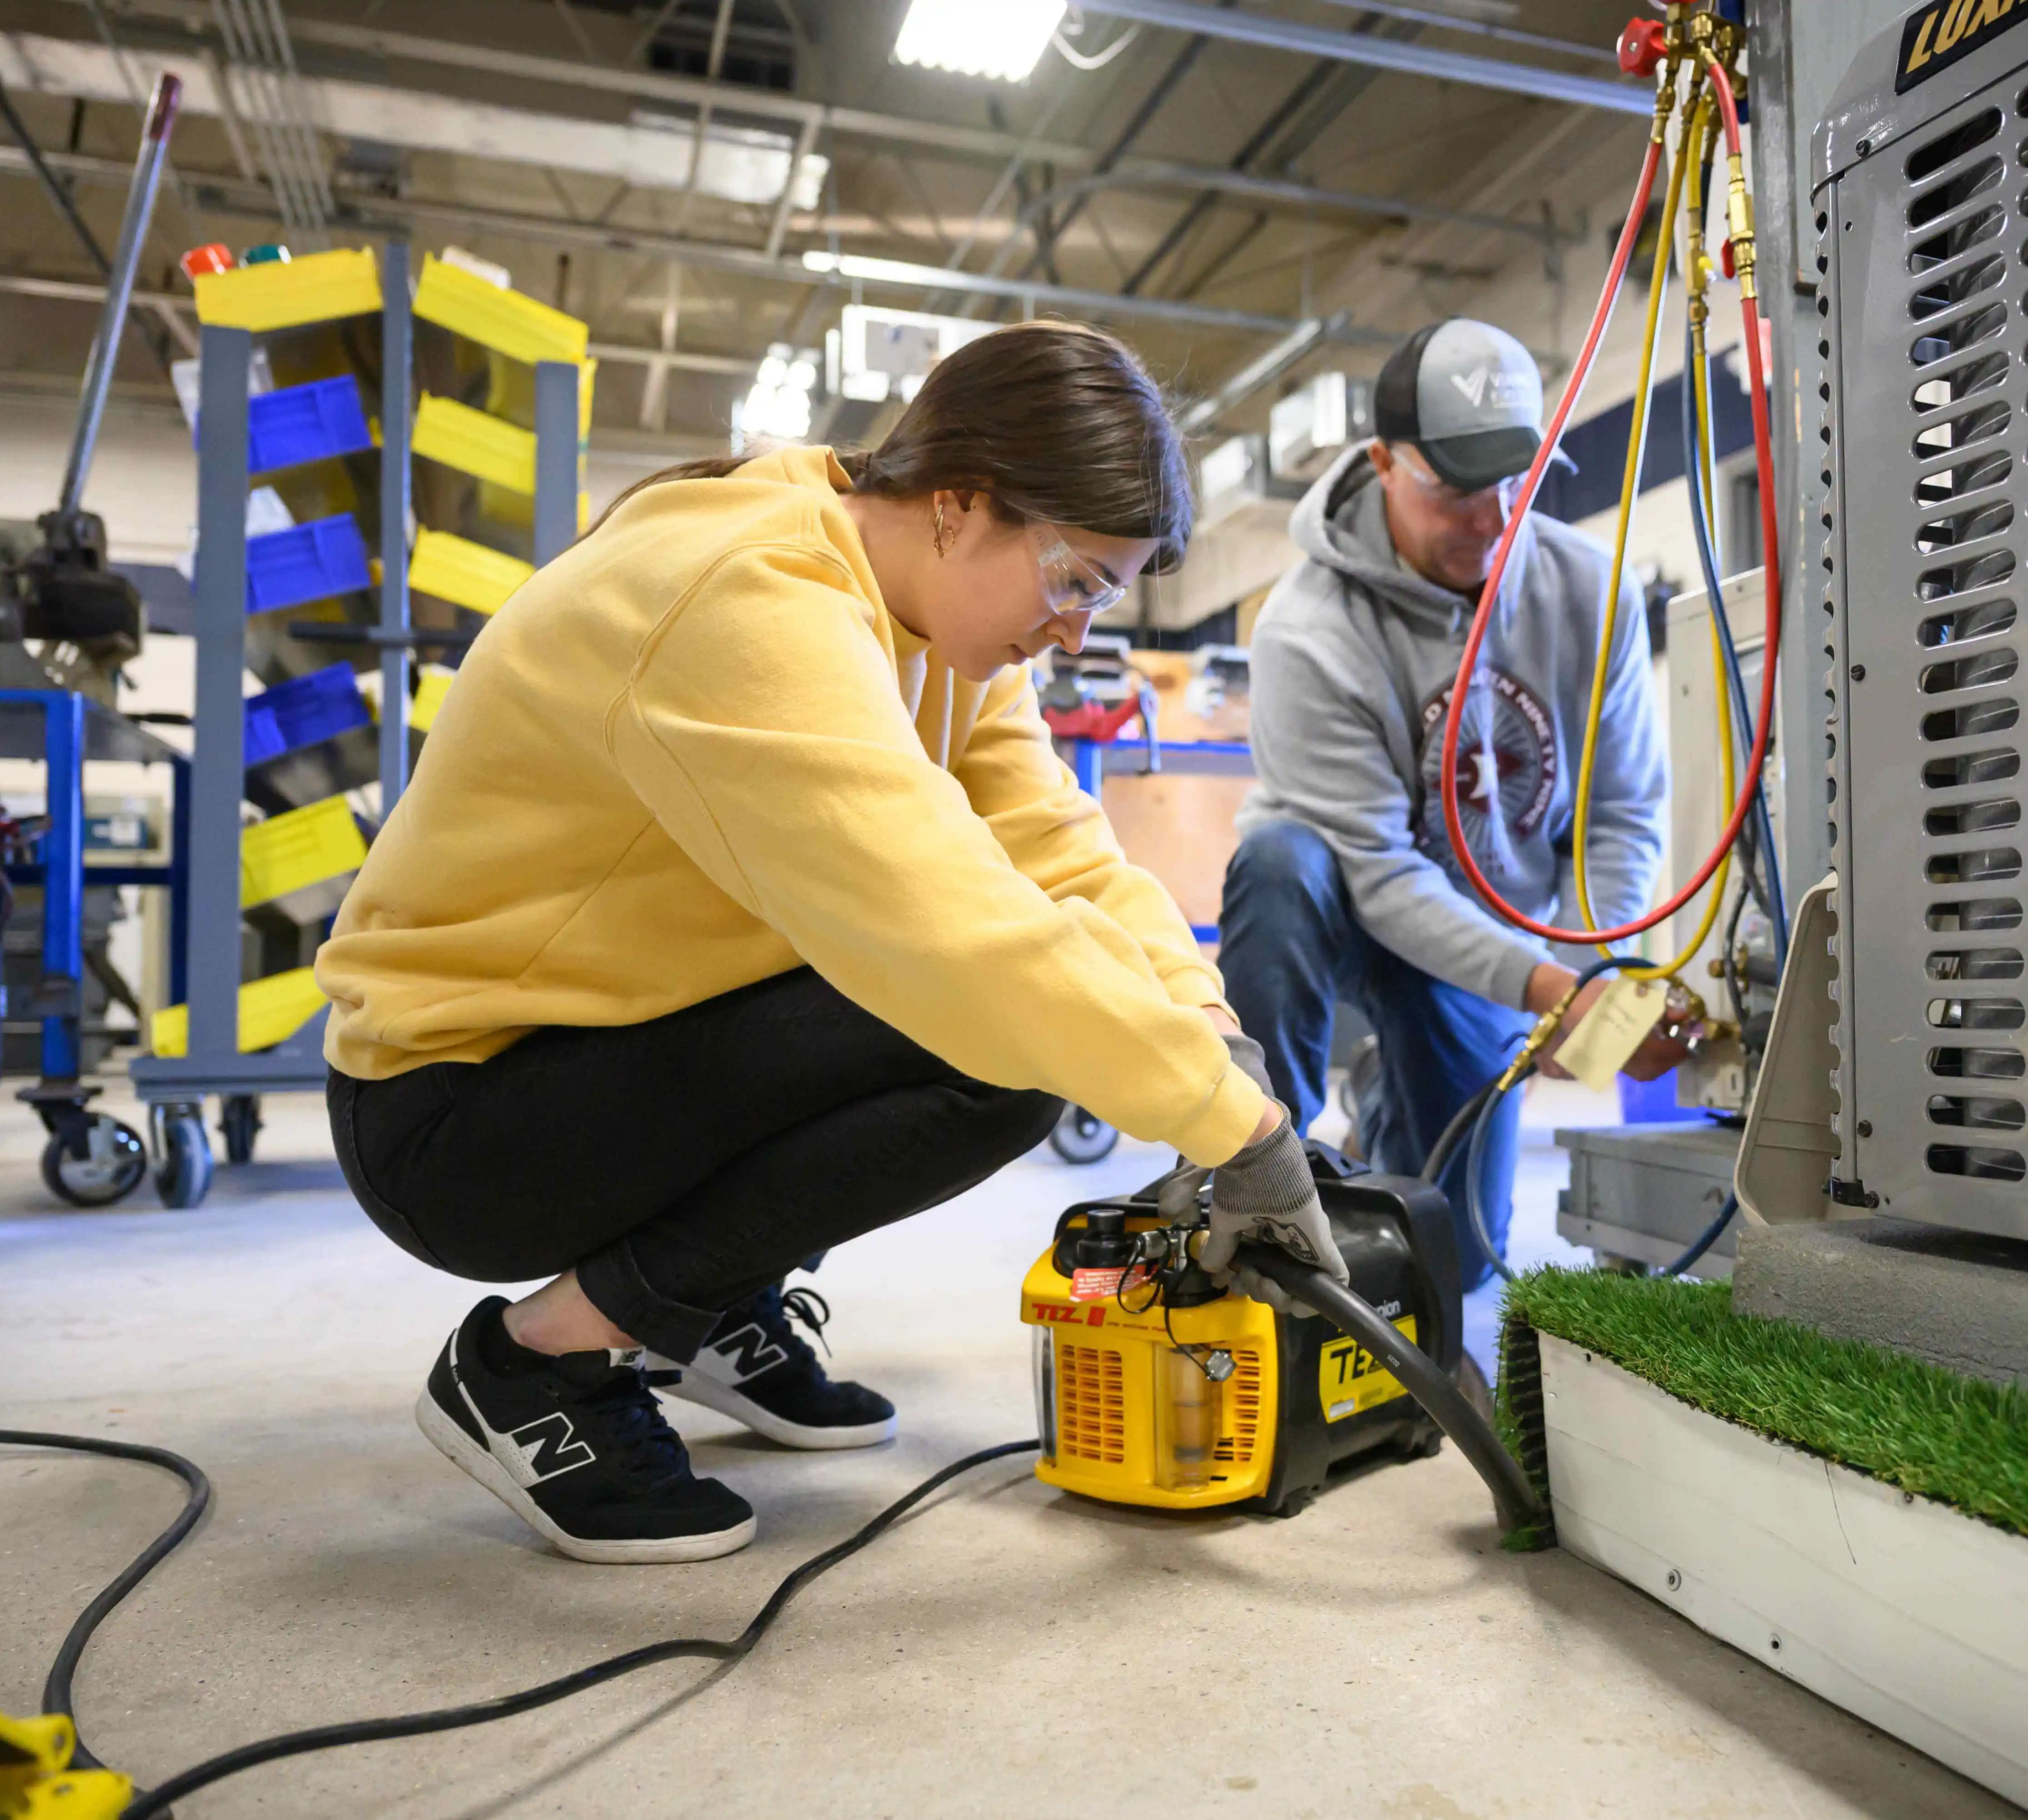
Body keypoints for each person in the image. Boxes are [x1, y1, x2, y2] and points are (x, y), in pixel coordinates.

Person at [316, 321, 1346, 1566]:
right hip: (453, 1111)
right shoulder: (746, 594)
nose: (1075, 630)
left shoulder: (942, 629)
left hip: (610, 1040)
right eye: (1074, 580)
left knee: (1019, 1017)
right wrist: (1237, 1132)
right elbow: (955, 932)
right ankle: (533, 1365)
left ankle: (697, 1311)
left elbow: (1061, 858)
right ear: (960, 503)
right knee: (1000, 1043)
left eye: (1101, 596)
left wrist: (1212, 1032)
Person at [1219, 317, 1680, 1289]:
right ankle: (1266, 1161)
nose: (1490, 519)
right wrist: (1544, 990)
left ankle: (1389, 1099)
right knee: (1279, 862)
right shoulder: (1307, 627)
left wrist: (1589, 977)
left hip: (1476, 931)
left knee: (1457, 1257)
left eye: (1516, 484)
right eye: (1457, 492)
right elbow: (1378, 871)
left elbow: (1620, 814)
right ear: (1384, 464)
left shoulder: (1589, 591)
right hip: (1344, 903)